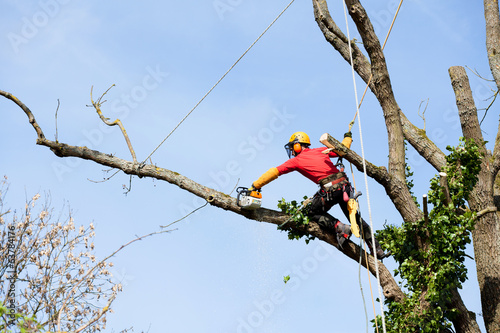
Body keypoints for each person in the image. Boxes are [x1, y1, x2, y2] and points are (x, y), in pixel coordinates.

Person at [249, 131, 389, 259]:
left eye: (293, 147)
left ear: (298, 146)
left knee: (311, 212)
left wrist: (256, 185)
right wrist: (348, 137)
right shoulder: (321, 150)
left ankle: (340, 228)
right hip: (345, 187)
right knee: (356, 219)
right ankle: (377, 248)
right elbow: (343, 149)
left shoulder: (296, 161)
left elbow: (275, 172)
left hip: (331, 190)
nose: (292, 151)